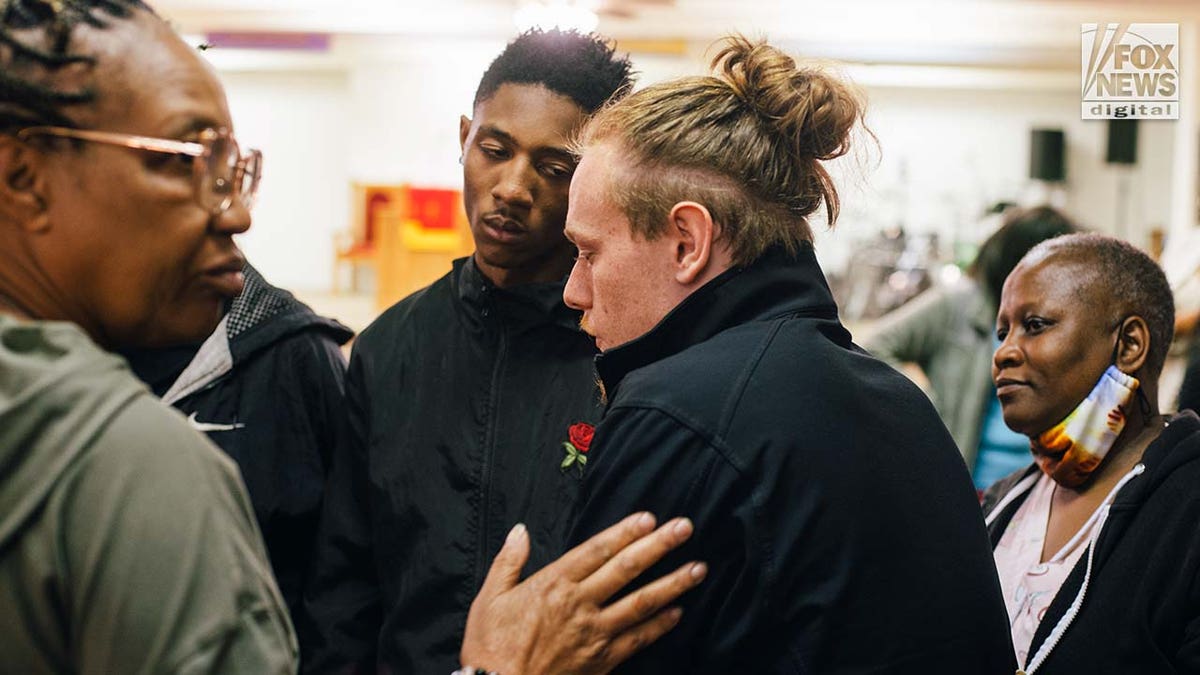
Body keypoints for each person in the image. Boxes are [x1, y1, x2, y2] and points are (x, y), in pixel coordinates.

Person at [555, 35, 1015, 673]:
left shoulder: (675, 415)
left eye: (589, 252)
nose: (574, 292)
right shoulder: (900, 404)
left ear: (688, 241)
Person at [306, 29, 636, 673]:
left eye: (554, 168)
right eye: (494, 149)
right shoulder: (389, 348)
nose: (513, 187)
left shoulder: (628, 362)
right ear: (465, 137)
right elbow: (342, 592)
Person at [0, 0, 297, 670]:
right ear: (25, 179)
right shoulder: (138, 473)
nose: (237, 213)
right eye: (184, 158)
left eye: (233, 168)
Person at [982, 233, 1200, 673]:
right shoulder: (1004, 501)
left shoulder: (1188, 503)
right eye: (1003, 331)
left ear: (1129, 345)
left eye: (1036, 325)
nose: (1004, 352)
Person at [120, 261, 354, 635]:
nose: (234, 217)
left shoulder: (297, 353)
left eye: (225, 197)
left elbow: (346, 572)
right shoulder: (52, 347)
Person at [865, 206, 1077, 488]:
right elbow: (872, 347)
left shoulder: (1060, 316)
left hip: (1040, 491)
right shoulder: (958, 305)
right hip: (971, 489)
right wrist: (924, 403)